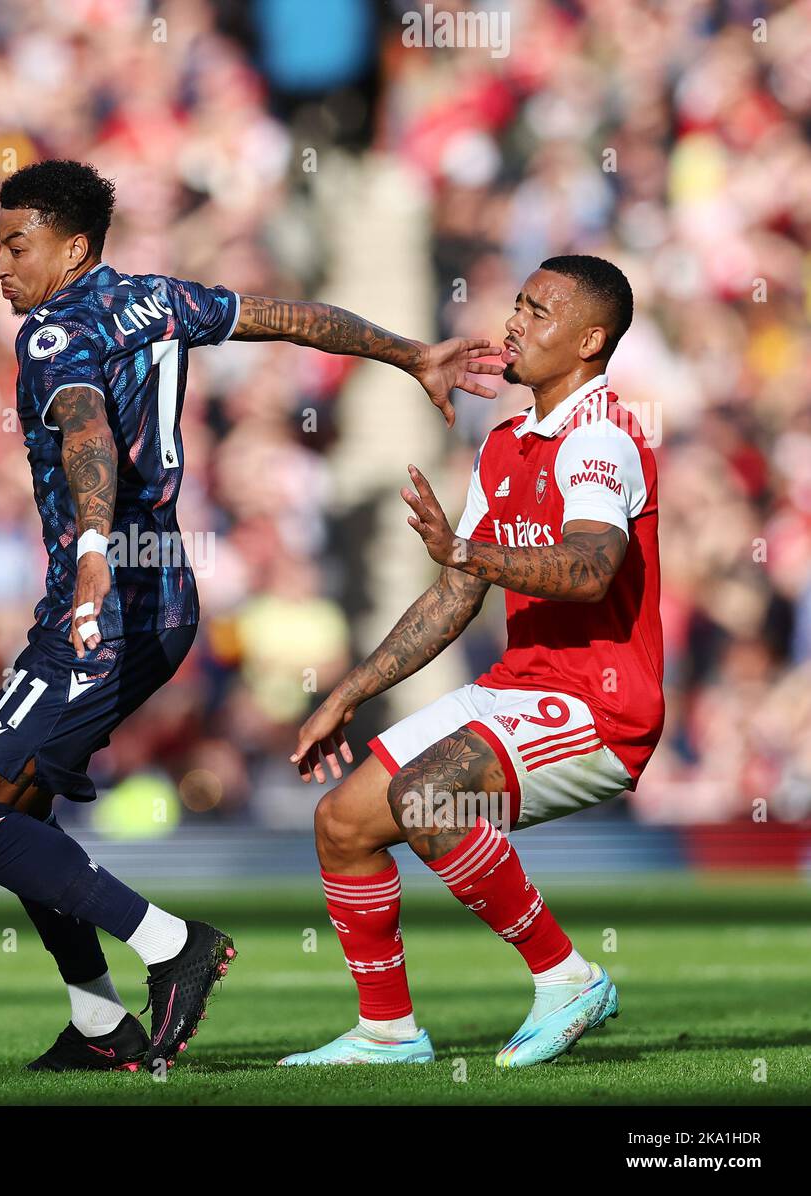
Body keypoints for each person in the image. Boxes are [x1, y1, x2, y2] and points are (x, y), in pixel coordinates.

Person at [0, 158, 503, 1073]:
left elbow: (85, 430)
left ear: (72, 249)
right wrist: (410, 352)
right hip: (167, 591)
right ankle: (98, 1026)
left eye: (15, 244)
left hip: (107, 592)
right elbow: (289, 317)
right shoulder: (157, 298)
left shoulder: (50, 334)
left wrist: (87, 555)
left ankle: (170, 943)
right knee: (23, 810)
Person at [284, 255, 663, 1068]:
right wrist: (348, 693)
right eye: (518, 303)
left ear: (591, 340)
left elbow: (590, 569)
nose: (515, 322)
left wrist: (464, 547)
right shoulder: (505, 443)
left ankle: (568, 977)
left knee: (427, 796)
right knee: (343, 823)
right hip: (517, 691)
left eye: (540, 311)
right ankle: (388, 1032)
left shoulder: (601, 438)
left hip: (601, 707)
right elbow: (455, 596)